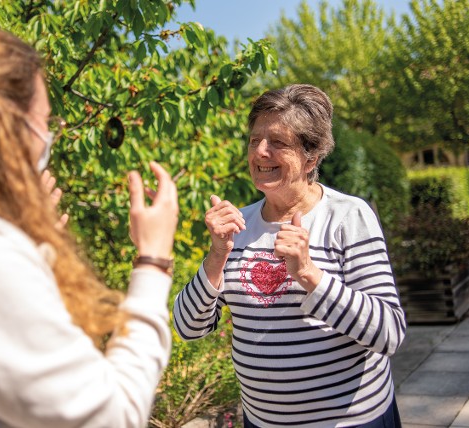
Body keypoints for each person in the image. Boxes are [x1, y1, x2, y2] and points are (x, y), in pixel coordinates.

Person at [0, 21, 178, 427]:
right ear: (8, 127)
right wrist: (153, 260)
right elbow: (115, 415)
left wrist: (25, 239)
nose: (48, 137)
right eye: (45, 121)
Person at [173, 84, 405, 427]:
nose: (260, 152)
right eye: (254, 141)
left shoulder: (347, 216)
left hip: (352, 421)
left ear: (311, 156)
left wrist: (310, 274)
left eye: (277, 142)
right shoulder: (239, 224)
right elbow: (187, 327)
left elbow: (390, 332)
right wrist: (216, 255)